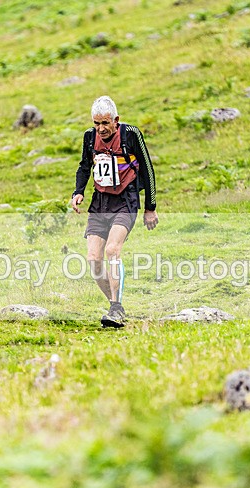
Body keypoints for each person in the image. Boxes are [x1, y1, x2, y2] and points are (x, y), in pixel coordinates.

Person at [70, 95, 159, 328]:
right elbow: (84, 166)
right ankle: (114, 302)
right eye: (96, 124)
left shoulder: (131, 134)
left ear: (115, 120)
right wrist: (78, 191)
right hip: (100, 202)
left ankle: (116, 309)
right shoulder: (89, 138)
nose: (100, 129)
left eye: (105, 123)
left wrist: (150, 208)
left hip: (125, 200)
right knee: (93, 260)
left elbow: (148, 169)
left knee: (112, 250)